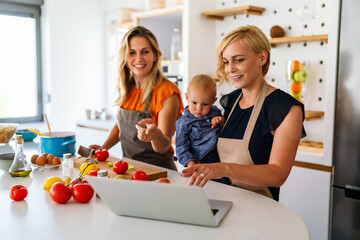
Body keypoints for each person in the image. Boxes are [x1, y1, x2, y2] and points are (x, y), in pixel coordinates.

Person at [182, 25, 306, 201]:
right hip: (220, 200)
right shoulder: (229, 102)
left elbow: (278, 174)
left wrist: (223, 168)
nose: (229, 69)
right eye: (226, 62)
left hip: (259, 211)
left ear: (262, 57)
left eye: (238, 60)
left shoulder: (285, 108)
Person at [90, 26, 183, 170]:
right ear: (125, 57)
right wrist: (103, 148)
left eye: (145, 52)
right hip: (129, 169)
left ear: (155, 55)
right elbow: (120, 125)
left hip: (159, 173)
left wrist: (155, 135)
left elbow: (164, 146)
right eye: (132, 53)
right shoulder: (125, 88)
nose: (138, 58)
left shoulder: (167, 93)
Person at [175, 74, 230, 185]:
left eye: (205, 104)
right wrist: (191, 164)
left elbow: (226, 127)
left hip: (221, 158)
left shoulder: (215, 112)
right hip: (200, 160)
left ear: (213, 101)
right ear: (186, 97)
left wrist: (221, 120)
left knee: (225, 185)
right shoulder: (183, 122)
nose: (199, 109)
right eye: (194, 103)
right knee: (203, 186)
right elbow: (181, 147)